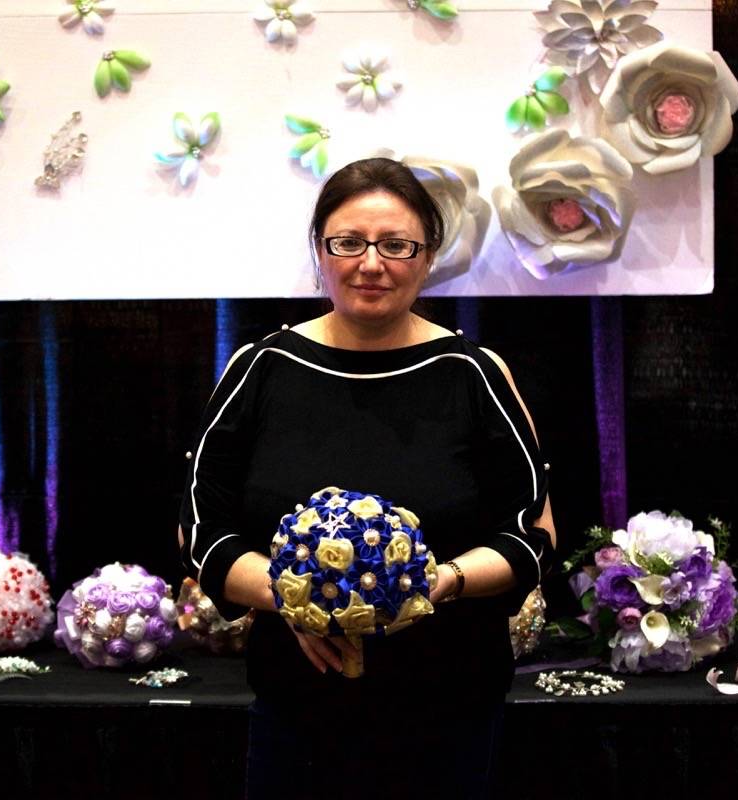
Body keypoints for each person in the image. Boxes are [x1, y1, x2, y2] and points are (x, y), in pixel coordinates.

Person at [177, 157, 556, 799]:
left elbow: (532, 532)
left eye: (396, 244)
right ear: (321, 251)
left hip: (449, 705)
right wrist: (297, 600)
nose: (371, 263)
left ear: (428, 255)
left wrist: (436, 585)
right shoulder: (260, 369)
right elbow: (201, 530)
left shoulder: (475, 373)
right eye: (348, 242)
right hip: (300, 709)